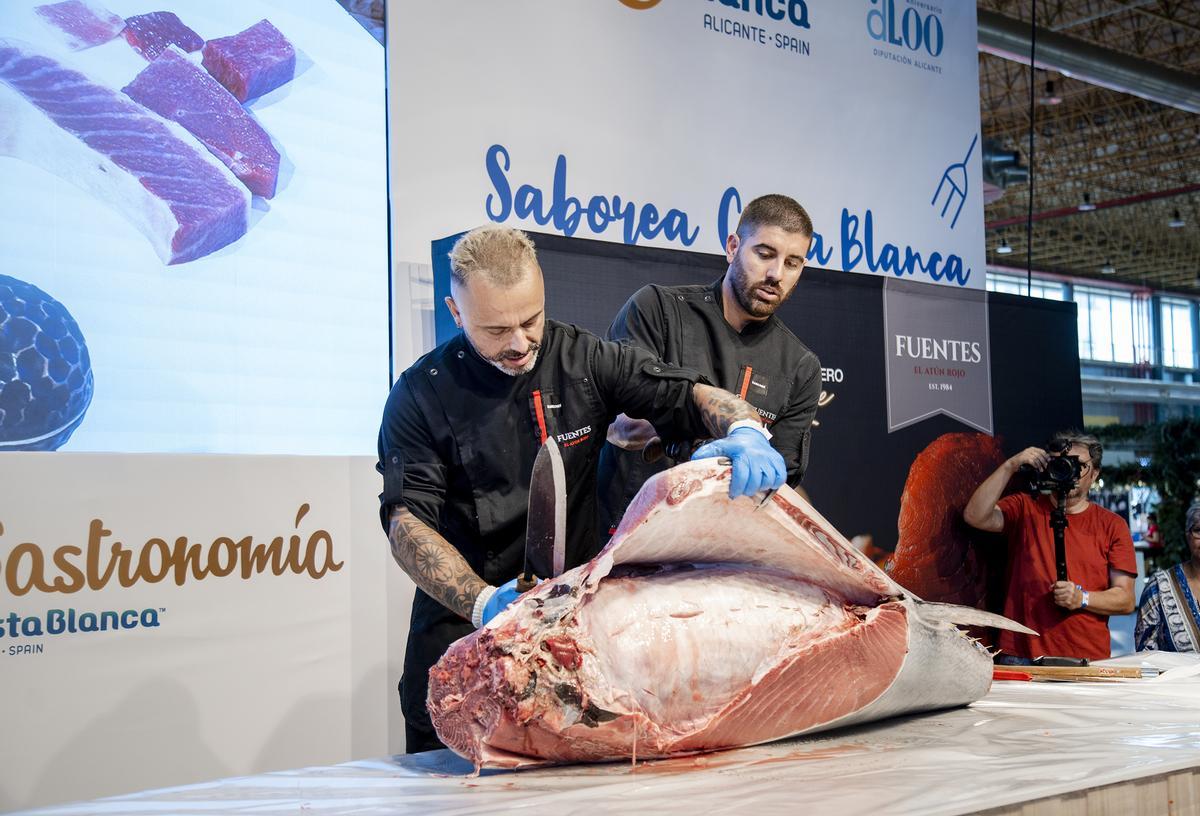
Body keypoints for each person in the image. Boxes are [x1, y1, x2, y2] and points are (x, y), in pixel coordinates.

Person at [377, 225, 788, 752]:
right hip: (463, 631)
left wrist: (746, 431)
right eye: (496, 330)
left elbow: (683, 393)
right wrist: (482, 604)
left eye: (530, 320)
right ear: (457, 315)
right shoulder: (419, 395)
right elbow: (405, 521)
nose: (520, 343)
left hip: (570, 641)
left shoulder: (583, 359)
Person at [596, 194, 821, 537]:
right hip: (628, 538)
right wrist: (705, 444)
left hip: (724, 553)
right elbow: (624, 425)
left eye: (792, 263)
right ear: (733, 247)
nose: (776, 274)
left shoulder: (801, 367)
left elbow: (779, 483)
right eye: (764, 254)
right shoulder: (658, 309)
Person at [963, 430, 1136, 662]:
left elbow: (1125, 599)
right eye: (1061, 463)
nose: (1069, 470)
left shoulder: (1112, 525)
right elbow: (975, 516)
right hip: (1022, 652)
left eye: (1079, 465)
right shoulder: (1025, 507)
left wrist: (1082, 598)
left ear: (1094, 474)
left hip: (1087, 656)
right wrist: (1011, 465)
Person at [1135, 503, 1200, 652]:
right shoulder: (1158, 587)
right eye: (1198, 530)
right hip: (1174, 676)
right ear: (1187, 535)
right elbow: (1146, 658)